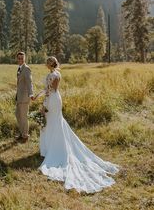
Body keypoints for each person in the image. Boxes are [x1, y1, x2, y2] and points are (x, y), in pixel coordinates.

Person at [33, 56, 120, 193]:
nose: (47, 62)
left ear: (52, 63)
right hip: (48, 99)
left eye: (49, 61)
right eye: (47, 61)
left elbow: (52, 90)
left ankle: (57, 148)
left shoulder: (56, 74)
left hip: (54, 100)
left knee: (55, 122)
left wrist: (44, 104)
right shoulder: (49, 74)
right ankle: (48, 148)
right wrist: (38, 97)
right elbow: (46, 89)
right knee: (48, 123)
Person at [15, 51, 34, 143]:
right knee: (18, 115)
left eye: (22, 58)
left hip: (24, 97)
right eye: (19, 58)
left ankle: (25, 135)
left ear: (24, 59)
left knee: (23, 117)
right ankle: (22, 133)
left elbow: (30, 83)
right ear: (17, 59)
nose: (20, 60)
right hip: (19, 97)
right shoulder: (19, 68)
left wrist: (31, 94)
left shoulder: (26, 69)